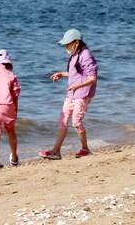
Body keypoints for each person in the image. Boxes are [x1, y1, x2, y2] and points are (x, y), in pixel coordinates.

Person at [40, 29, 97, 159]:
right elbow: (76, 74)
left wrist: (77, 86)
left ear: (76, 43)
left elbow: (92, 78)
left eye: (67, 44)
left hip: (82, 94)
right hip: (72, 94)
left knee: (76, 122)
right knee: (63, 120)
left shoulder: (86, 55)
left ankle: (85, 148)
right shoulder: (75, 55)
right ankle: (56, 151)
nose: (65, 47)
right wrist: (62, 74)